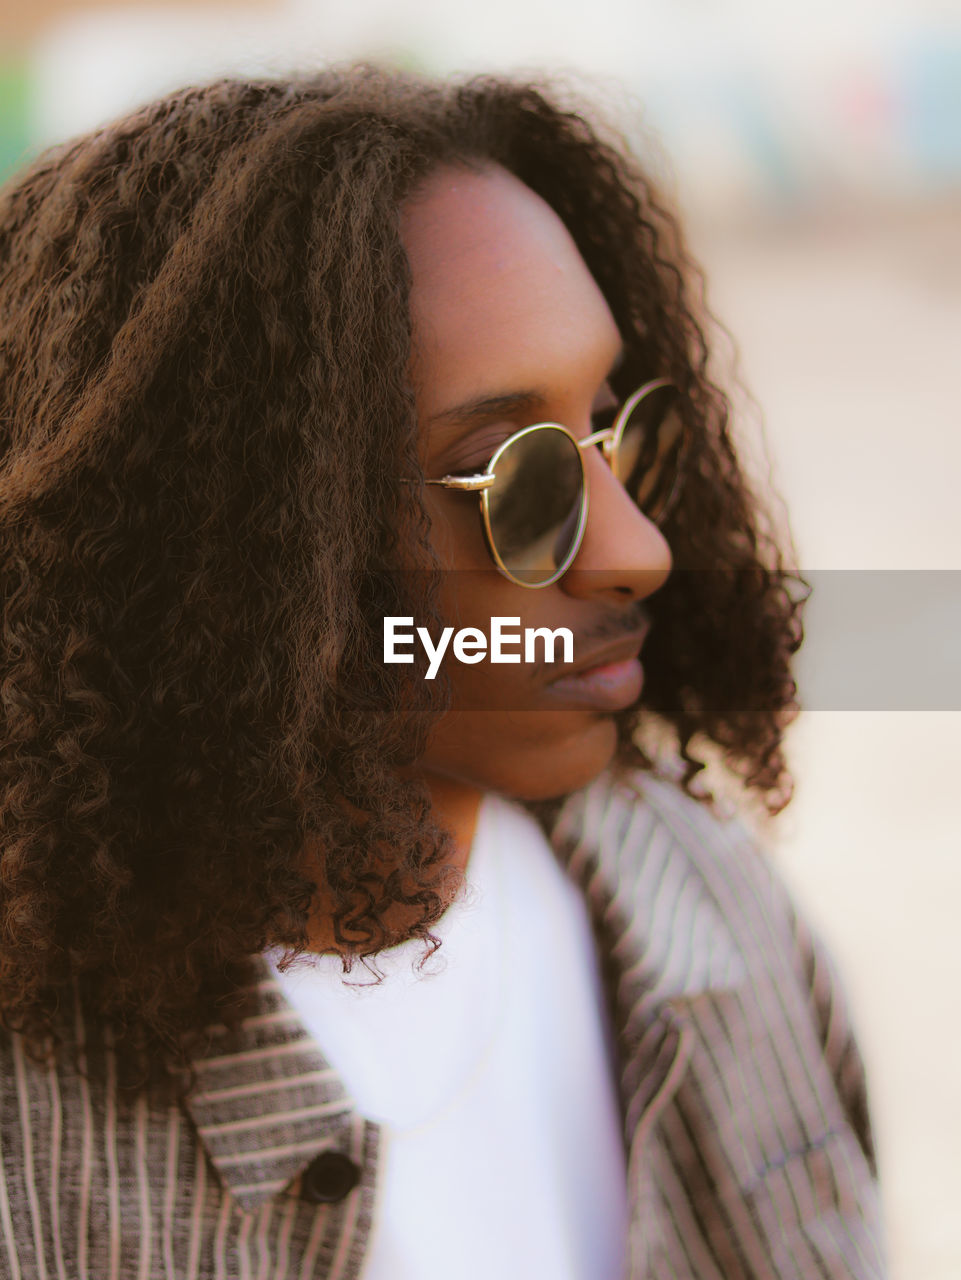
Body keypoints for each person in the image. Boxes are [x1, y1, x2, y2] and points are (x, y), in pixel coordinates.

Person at [0, 66, 885, 1278]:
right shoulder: (36, 1140)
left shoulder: (707, 909)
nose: (639, 548)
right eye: (518, 477)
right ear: (253, 549)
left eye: (619, 432)